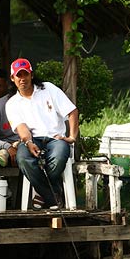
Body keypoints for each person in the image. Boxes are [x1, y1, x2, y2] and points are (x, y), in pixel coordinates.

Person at [5, 58, 78, 209]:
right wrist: (29, 142)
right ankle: (52, 195)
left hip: (55, 138)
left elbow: (72, 111)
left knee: (58, 156)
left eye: (25, 74)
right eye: (18, 75)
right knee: (23, 158)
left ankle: (41, 193)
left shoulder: (48, 88)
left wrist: (71, 137)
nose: (22, 79)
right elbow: (22, 128)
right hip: (32, 139)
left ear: (31, 75)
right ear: (13, 78)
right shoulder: (11, 103)